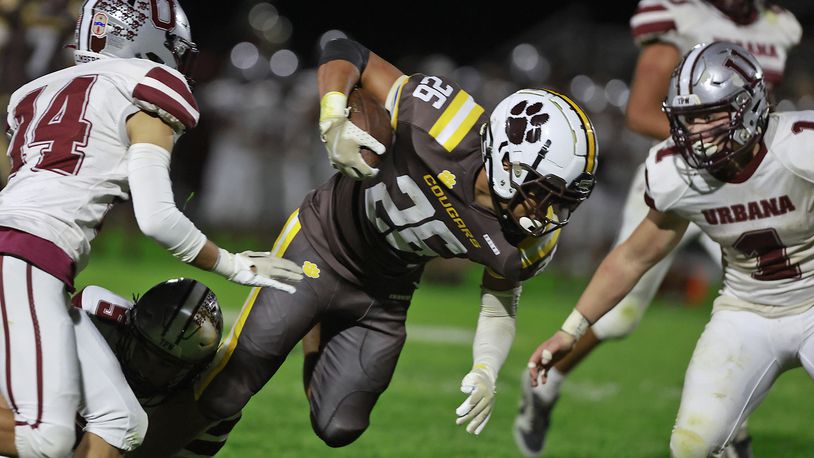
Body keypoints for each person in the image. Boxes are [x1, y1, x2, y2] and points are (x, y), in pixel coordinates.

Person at [128, 36, 599, 456]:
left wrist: (486, 368)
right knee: (229, 388)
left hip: (384, 291)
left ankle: (318, 322)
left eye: (562, 199)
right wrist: (334, 115)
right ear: (507, 159)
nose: (548, 211)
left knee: (338, 425)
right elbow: (345, 50)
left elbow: (500, 301)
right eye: (542, 191)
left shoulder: (531, 238)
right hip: (321, 242)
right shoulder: (445, 122)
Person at [0, 1, 302, 457]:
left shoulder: (36, 92)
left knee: (121, 422)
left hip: (30, 256)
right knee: (46, 437)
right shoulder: (147, 84)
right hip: (26, 252)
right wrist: (233, 265)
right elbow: (157, 217)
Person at [514, 1, 801, 456]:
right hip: (694, 189)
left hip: (756, 185)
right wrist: (706, 140)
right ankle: (548, 386)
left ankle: (732, 421)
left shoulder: (781, 30)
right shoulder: (680, 17)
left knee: (765, 277)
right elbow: (641, 115)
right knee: (622, 315)